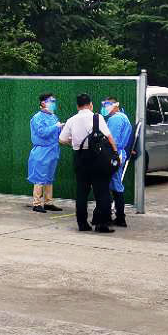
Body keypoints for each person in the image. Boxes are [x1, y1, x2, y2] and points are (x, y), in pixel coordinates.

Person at [60, 93, 118, 233]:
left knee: (81, 192)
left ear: (77, 106)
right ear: (91, 104)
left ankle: (82, 224)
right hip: (97, 158)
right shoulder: (97, 118)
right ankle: (101, 224)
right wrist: (115, 153)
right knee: (102, 191)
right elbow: (109, 137)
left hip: (80, 158)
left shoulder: (71, 120)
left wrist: (73, 143)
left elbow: (61, 139)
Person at [27, 94, 63, 213]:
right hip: (42, 151)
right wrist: (56, 126)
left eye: (54, 101)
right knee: (40, 176)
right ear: (43, 103)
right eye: (51, 101)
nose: (53, 103)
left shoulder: (54, 117)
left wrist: (62, 128)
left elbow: (57, 133)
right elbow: (42, 133)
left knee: (49, 177)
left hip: (53, 150)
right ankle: (36, 203)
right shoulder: (37, 117)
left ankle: (48, 202)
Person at [102, 97, 134, 228]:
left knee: (112, 184)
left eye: (106, 105)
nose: (104, 107)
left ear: (115, 105)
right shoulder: (123, 117)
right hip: (119, 153)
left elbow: (112, 139)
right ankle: (120, 217)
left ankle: (116, 217)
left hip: (114, 154)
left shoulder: (115, 119)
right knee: (115, 184)